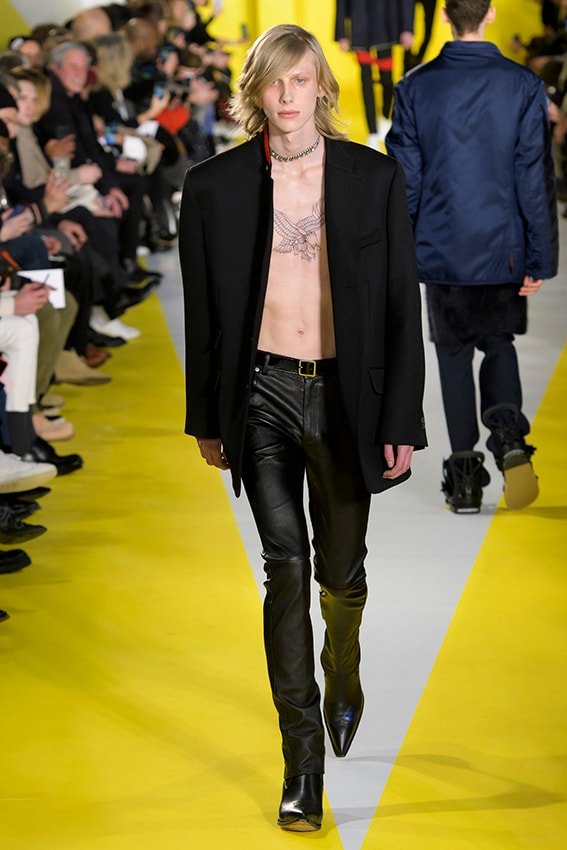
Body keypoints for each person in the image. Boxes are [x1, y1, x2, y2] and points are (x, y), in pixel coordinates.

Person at [179, 23, 426, 832]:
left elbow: (399, 302)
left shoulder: (370, 176)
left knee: (340, 574)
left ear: (322, 86)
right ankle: (301, 761)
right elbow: (205, 314)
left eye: (300, 79)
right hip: (260, 396)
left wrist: (401, 417)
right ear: (254, 89)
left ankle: (341, 660)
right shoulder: (212, 186)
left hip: (347, 397)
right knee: (284, 568)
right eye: (273, 80)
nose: (287, 95)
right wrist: (205, 417)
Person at [386, 0, 558, 514]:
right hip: (503, 246)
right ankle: (507, 433)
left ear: (444, 15)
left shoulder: (414, 87)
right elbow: (534, 177)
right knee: (499, 341)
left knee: (453, 355)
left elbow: (406, 183)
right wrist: (540, 257)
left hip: (441, 248)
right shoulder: (523, 85)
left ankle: (464, 481)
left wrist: (400, 252)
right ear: (492, 12)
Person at [335, 0, 415, 145]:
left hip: (387, 23)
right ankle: (372, 131)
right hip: (359, 22)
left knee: (387, 79)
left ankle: (385, 116)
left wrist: (408, 28)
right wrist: (341, 33)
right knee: (366, 81)